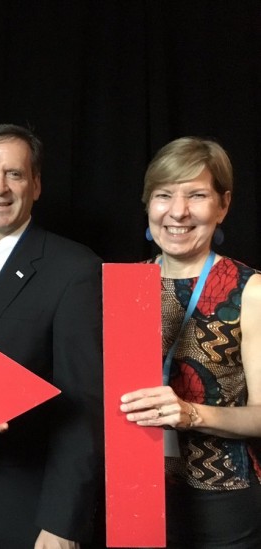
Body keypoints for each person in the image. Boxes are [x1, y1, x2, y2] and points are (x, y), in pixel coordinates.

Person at [0, 124, 103, 548]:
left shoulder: (74, 270)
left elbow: (85, 408)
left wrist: (62, 523)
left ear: (36, 185)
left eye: (14, 174)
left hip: (34, 516)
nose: (0, 187)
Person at [119, 137, 261, 548]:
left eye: (197, 195)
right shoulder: (122, 287)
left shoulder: (249, 290)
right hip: (135, 490)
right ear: (148, 204)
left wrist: (190, 414)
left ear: (223, 204)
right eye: (164, 195)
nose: (178, 212)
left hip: (222, 499)